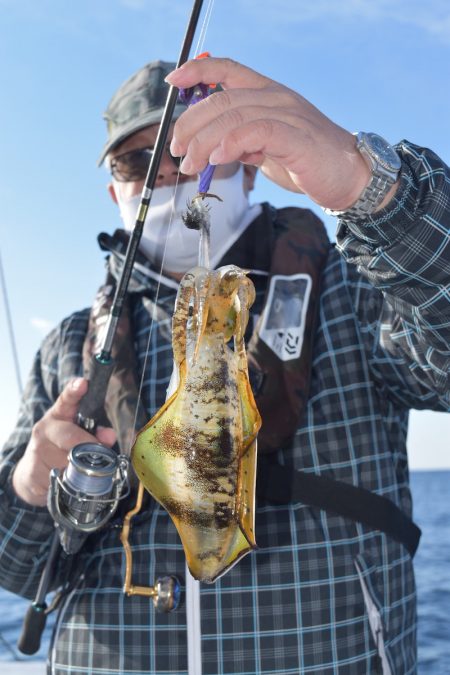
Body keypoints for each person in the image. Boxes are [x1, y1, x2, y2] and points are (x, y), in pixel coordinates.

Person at [0, 55, 449, 675]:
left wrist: (367, 185)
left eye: (191, 149)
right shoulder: (71, 344)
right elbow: (16, 569)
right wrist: (28, 489)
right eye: (137, 161)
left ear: (249, 165)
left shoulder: (354, 294)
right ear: (114, 191)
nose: (167, 174)